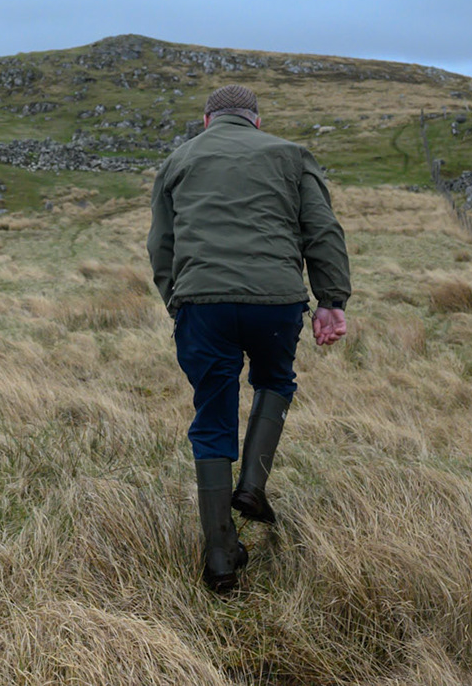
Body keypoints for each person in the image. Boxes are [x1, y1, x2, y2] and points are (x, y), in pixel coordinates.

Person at [147, 83, 351, 593]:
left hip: (203, 303)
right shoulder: (290, 154)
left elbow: (161, 243)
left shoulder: (178, 160)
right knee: (275, 380)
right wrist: (331, 300)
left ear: (207, 121)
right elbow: (322, 229)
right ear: (256, 121)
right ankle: (253, 488)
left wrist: (179, 300)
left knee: (212, 414)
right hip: (276, 302)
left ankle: (220, 556)